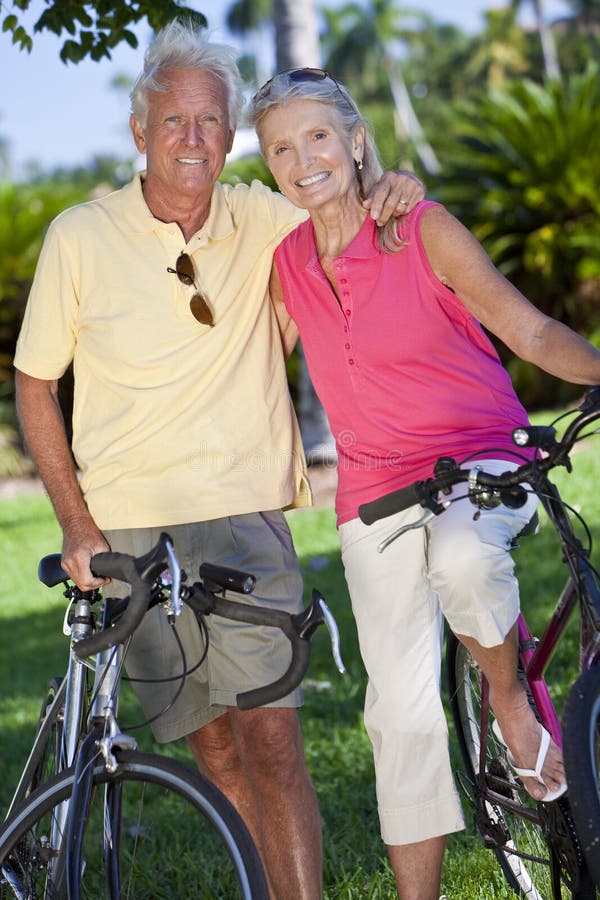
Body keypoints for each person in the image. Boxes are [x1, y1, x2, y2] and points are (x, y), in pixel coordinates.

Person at [13, 19, 424, 900]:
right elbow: (35, 384)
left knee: (273, 736)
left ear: (229, 131)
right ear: (139, 131)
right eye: (174, 121)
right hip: (129, 525)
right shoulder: (79, 236)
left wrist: (393, 182)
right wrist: (78, 526)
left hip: (243, 514)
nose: (193, 139)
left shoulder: (267, 220)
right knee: (212, 744)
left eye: (211, 122)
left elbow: (346, 206)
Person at [249, 69, 600, 899]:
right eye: (280, 149)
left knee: (465, 559)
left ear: (357, 140)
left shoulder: (421, 228)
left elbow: (529, 326)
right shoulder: (286, 265)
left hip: (482, 454)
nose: (303, 161)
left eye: (320, 137)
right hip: (372, 493)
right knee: (396, 717)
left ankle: (507, 694)